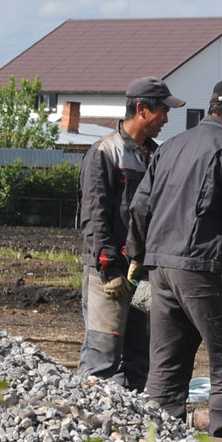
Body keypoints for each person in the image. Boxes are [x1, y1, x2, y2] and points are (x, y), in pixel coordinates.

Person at [127, 78, 222, 437]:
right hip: (205, 272)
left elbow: (141, 205)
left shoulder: (170, 147)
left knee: (166, 363)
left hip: (161, 271)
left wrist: (136, 253)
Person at [75, 76, 184, 390]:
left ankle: (129, 428)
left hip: (145, 272)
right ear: (142, 110)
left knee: (140, 358)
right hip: (108, 273)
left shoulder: (157, 156)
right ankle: (86, 426)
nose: (166, 118)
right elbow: (94, 217)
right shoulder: (105, 153)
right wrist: (108, 268)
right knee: (102, 355)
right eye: (163, 110)